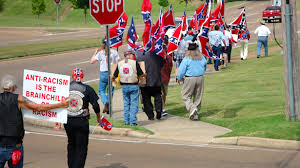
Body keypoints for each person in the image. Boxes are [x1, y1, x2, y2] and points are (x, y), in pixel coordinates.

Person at [0, 75, 68, 168]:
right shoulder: (19, 99)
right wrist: (60, 104)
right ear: (13, 87)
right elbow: (38, 107)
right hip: (15, 146)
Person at [64, 68, 101, 168]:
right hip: (82, 121)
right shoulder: (87, 89)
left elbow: (59, 104)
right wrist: (98, 117)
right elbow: (96, 105)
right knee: (81, 147)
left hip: (68, 120)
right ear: (82, 76)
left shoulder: (64, 88)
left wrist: (58, 121)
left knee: (71, 144)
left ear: (73, 76)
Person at [176, 38, 207, 121]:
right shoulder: (202, 57)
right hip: (200, 77)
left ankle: (192, 108)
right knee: (198, 96)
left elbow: (181, 70)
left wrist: (179, 77)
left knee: (185, 95)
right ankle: (195, 114)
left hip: (190, 78)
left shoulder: (187, 58)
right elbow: (205, 66)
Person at [112, 50, 144, 126]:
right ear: (129, 55)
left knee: (126, 104)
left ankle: (126, 121)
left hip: (124, 86)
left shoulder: (119, 63)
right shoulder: (134, 63)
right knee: (134, 104)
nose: (133, 56)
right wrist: (144, 75)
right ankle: (133, 121)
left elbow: (115, 75)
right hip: (133, 85)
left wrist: (112, 78)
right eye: (132, 55)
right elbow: (141, 74)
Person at [90, 39, 120, 114]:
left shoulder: (101, 52)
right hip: (112, 72)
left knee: (101, 91)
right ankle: (108, 105)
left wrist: (95, 52)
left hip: (103, 73)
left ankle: (106, 102)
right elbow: (117, 63)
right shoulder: (114, 52)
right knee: (111, 91)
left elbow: (92, 61)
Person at [136, 51, 164, 120]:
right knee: (157, 95)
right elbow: (162, 64)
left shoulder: (139, 55)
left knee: (146, 99)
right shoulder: (157, 54)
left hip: (144, 80)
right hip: (156, 79)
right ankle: (158, 109)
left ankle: (150, 115)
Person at [161, 36, 173, 116]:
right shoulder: (168, 57)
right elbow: (171, 67)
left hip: (161, 78)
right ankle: (162, 108)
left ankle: (162, 107)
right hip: (165, 78)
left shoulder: (159, 57)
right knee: (163, 94)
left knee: (161, 94)